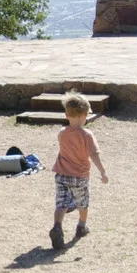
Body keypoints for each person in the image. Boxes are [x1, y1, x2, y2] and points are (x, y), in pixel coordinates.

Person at [50, 91, 108, 249]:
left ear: (66, 115)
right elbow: (94, 154)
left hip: (61, 175)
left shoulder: (62, 133)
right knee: (82, 202)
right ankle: (81, 226)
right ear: (84, 115)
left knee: (61, 203)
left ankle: (57, 226)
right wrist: (102, 171)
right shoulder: (87, 135)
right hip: (79, 176)